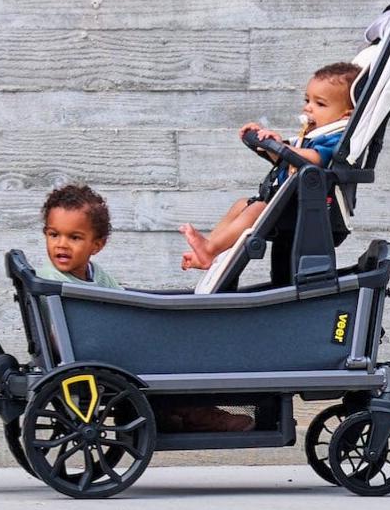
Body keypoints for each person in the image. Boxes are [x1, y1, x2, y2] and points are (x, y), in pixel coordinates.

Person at [35, 185, 254, 432]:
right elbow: (57, 333)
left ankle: (165, 412)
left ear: (97, 245)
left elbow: (126, 304)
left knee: (168, 346)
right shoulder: (51, 280)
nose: (61, 245)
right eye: (54, 235)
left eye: (74, 237)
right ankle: (196, 412)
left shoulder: (95, 274)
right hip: (90, 356)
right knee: (165, 358)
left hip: (107, 349)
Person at [180, 62, 361, 270]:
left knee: (257, 209)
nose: (308, 108)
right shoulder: (312, 135)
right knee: (241, 205)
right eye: (307, 100)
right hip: (292, 203)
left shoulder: (334, 139)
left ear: (345, 115)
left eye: (320, 104)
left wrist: (283, 148)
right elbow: (291, 160)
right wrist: (270, 144)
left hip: (313, 210)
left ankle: (209, 251)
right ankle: (209, 248)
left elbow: (314, 159)